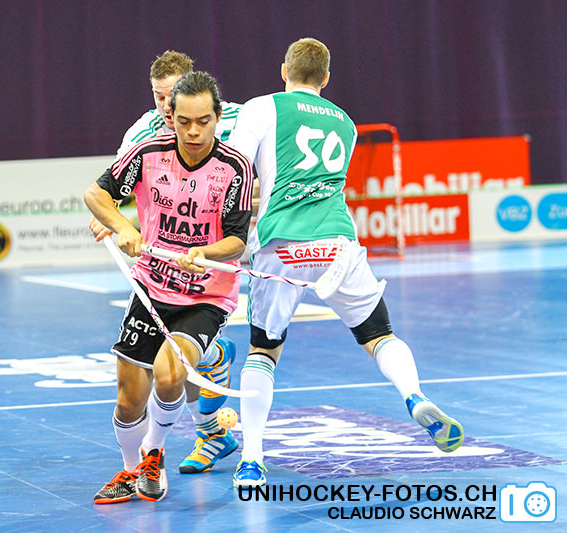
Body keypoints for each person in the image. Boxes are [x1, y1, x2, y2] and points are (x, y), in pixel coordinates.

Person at [228, 38, 464, 487]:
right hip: (338, 243)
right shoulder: (346, 123)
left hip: (282, 244)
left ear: (284, 71)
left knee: (264, 350)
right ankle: (414, 395)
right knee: (379, 335)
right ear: (326, 78)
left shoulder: (262, 108)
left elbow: (235, 168)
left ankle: (252, 460)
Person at [85, 71, 253, 503]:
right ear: (171, 117)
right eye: (184, 121)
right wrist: (123, 226)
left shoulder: (235, 167)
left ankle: (154, 453)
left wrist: (205, 251)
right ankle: (130, 470)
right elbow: (96, 195)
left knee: (170, 371)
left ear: (218, 117)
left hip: (206, 294)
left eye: (203, 121)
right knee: (128, 401)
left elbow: (237, 240)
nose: (193, 131)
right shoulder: (148, 152)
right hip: (151, 287)